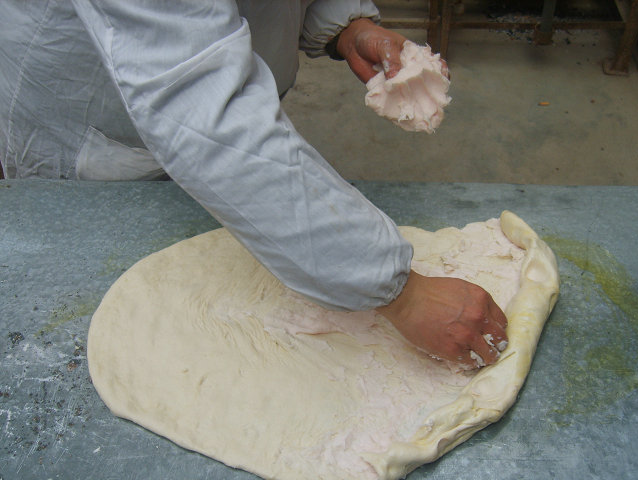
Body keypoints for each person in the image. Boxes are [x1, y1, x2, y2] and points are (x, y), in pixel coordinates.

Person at [0, 1, 507, 368]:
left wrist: (343, 22)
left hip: (205, 103)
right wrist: (405, 296)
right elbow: (200, 108)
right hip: (102, 125)